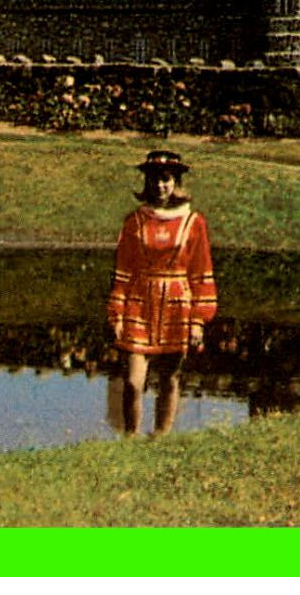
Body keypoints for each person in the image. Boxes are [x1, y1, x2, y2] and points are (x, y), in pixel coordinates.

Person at [106, 149, 217, 436]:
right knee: (133, 380)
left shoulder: (193, 223)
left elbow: (200, 272)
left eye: (166, 179)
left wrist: (198, 321)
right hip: (140, 301)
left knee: (169, 376)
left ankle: (161, 436)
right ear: (147, 182)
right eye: (155, 179)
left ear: (176, 182)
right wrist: (116, 312)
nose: (160, 186)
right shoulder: (134, 222)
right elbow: (123, 271)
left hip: (177, 304)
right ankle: (131, 436)